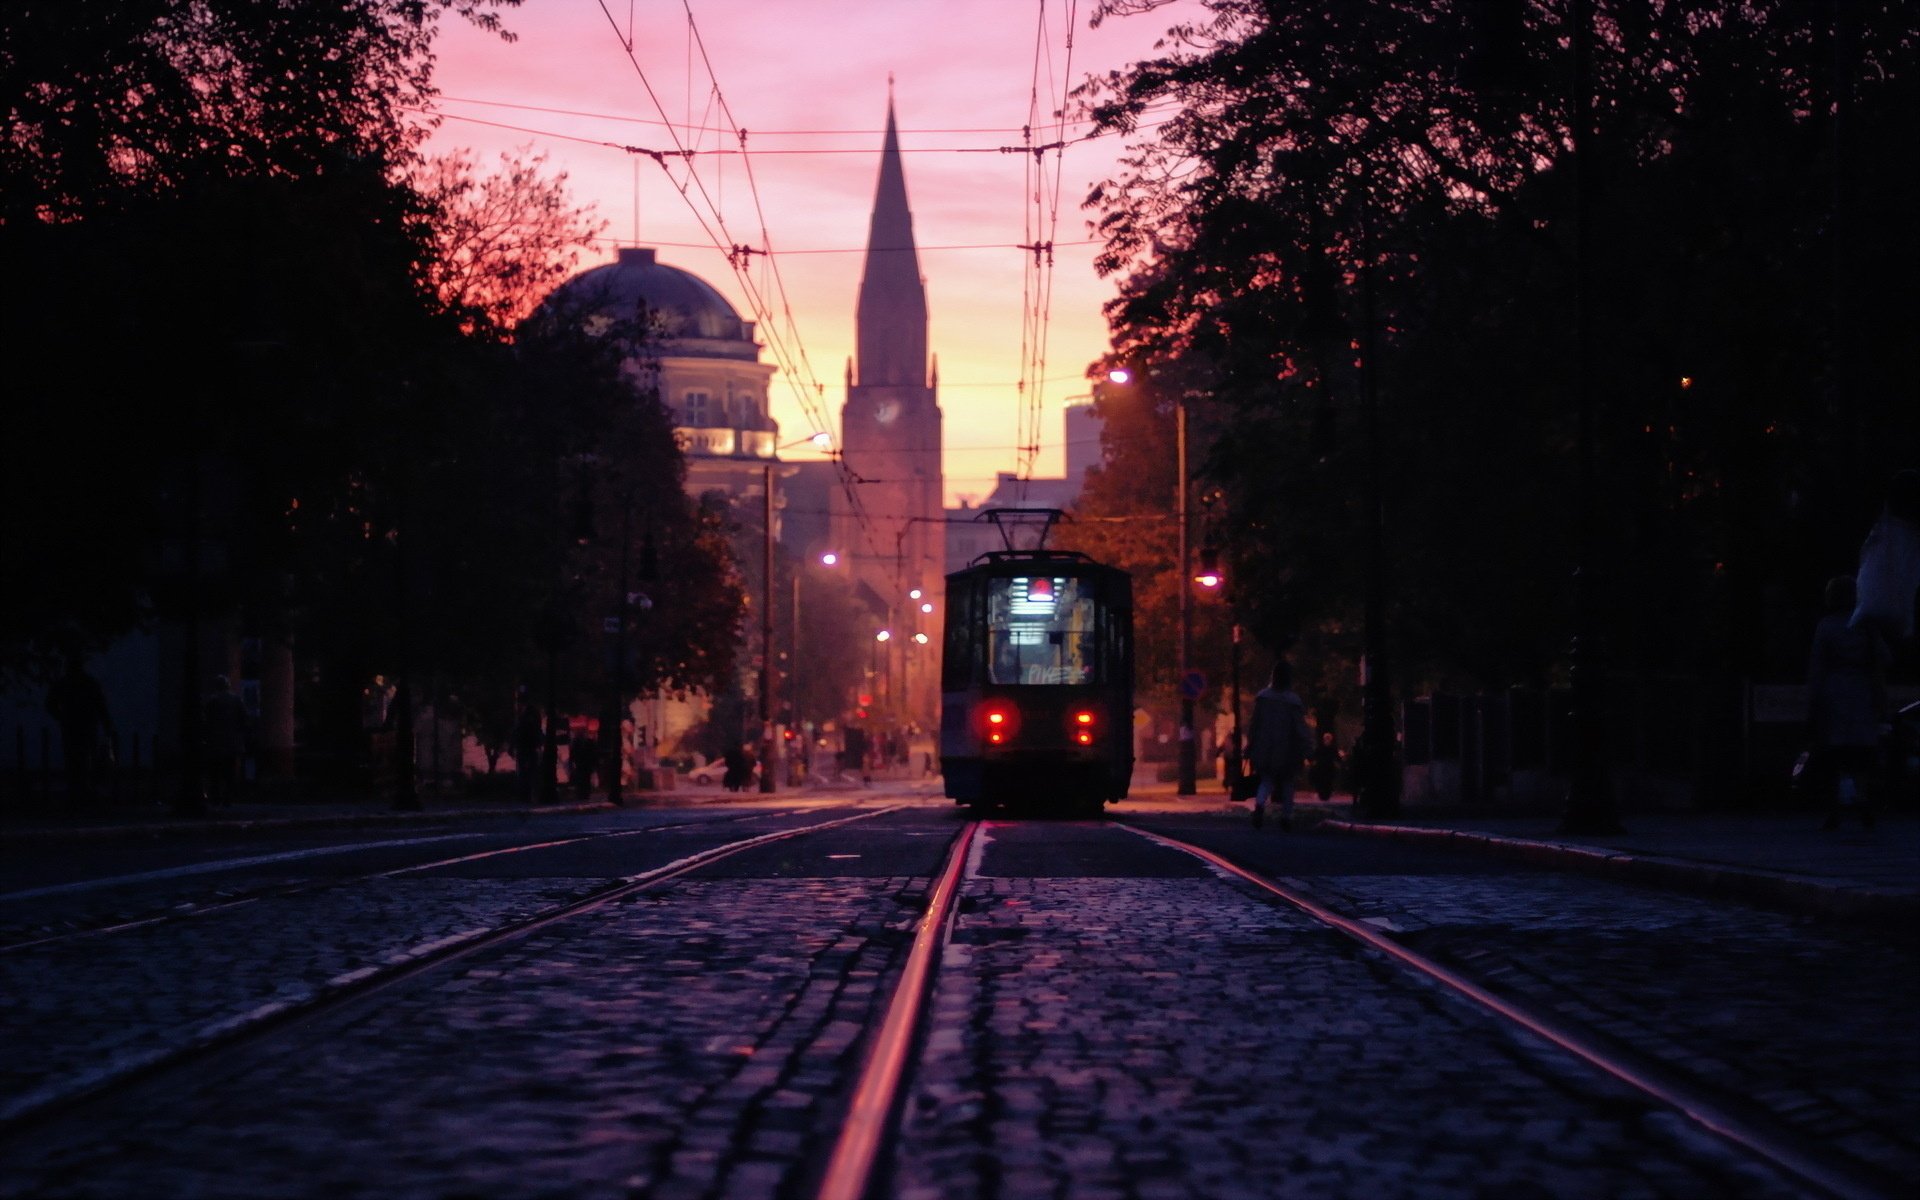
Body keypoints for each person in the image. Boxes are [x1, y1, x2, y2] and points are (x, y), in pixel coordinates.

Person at [1808, 575, 1890, 830]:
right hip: (1862, 692)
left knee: (1835, 753)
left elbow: (1817, 665)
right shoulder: (1866, 625)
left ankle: (1835, 809)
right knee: (1861, 753)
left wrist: (1814, 698)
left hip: (1834, 692)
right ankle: (1863, 801)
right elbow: (1885, 657)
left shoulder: (1826, 626)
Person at [1246, 660, 1312, 830]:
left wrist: (1251, 744)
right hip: (1288, 749)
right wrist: (1307, 748)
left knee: (1266, 780)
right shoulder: (1293, 701)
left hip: (1265, 747)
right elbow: (1300, 727)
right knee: (1288, 783)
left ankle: (1260, 805)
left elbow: (1254, 724)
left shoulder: (1263, 698)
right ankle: (1286, 817)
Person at [45, 654, 113, 808]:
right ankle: (84, 790)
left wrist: (61, 717)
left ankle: (78, 790)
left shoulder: (64, 683)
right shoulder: (88, 683)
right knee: (85, 758)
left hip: (73, 726)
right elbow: (101, 705)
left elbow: (50, 704)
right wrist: (106, 724)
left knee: (74, 759)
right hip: (86, 726)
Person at [202, 675, 250, 807]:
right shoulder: (236, 700)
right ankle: (228, 796)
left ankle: (216, 796)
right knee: (229, 771)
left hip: (215, 742)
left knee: (215, 771)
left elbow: (206, 720)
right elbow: (244, 719)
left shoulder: (212, 701)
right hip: (232, 741)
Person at [511, 703, 543, 804]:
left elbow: (516, 736)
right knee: (531, 774)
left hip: (525, 751)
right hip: (529, 751)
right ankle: (529, 796)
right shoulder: (532, 723)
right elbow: (538, 737)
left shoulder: (522, 723)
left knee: (525, 774)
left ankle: (525, 796)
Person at [1309, 730, 1342, 802]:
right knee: (1322, 781)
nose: (1327, 740)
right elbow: (1314, 756)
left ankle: (1326, 795)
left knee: (1328, 782)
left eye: (1328, 738)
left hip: (1328, 768)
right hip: (1321, 767)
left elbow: (1337, 757)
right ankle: (1322, 794)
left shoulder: (1332, 748)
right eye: (1326, 738)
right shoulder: (1321, 748)